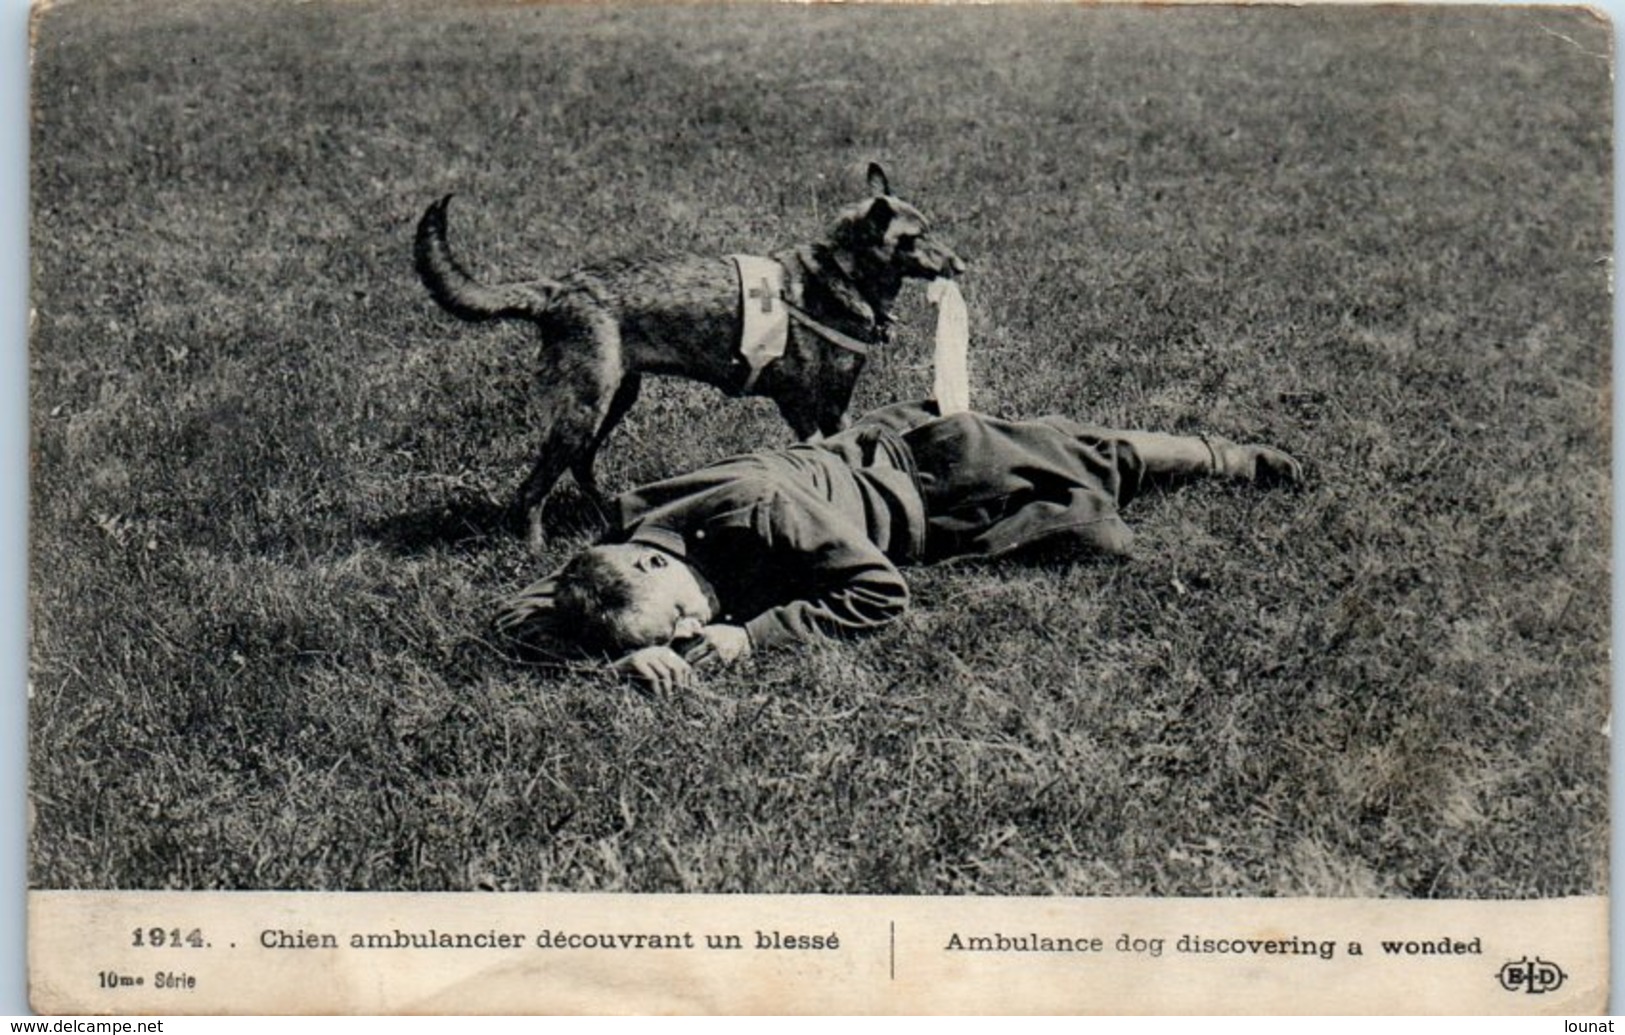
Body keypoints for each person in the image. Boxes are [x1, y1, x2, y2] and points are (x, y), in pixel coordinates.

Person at [494, 401, 1302, 691]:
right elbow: (521, 611)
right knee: (1082, 527)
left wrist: (753, 632)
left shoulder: (763, 510)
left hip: (938, 478)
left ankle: (1220, 454)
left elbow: (880, 592)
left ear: (652, 564)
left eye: (679, 617)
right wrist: (618, 654)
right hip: (908, 505)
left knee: (1093, 466)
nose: (687, 629)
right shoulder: (629, 548)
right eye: (678, 634)